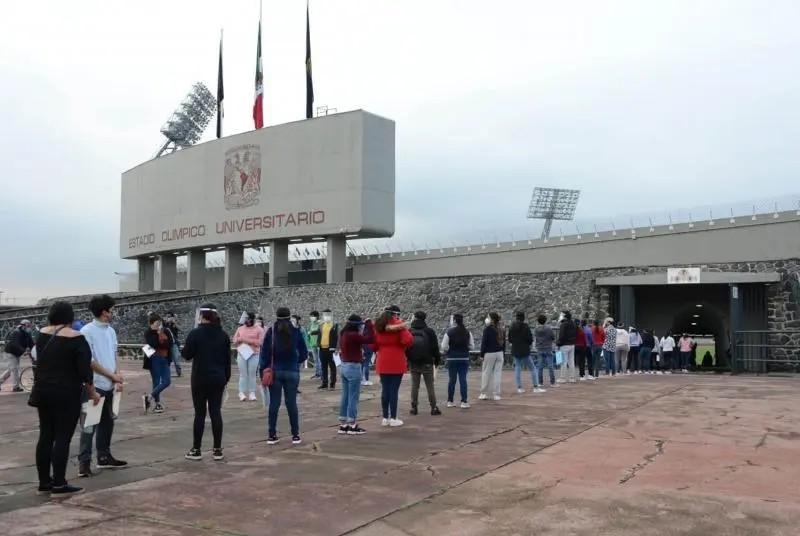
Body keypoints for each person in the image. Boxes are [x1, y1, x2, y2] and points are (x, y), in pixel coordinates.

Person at [32, 301, 100, 497]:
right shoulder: (77, 338)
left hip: (42, 390)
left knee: (46, 434)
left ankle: (44, 481)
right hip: (65, 392)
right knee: (63, 436)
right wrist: (93, 393)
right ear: (70, 317)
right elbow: (85, 370)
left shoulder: (43, 334)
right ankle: (59, 484)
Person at [78, 295, 127, 478]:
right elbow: (90, 361)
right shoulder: (87, 331)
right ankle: (84, 461)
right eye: (111, 310)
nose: (112, 313)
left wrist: (117, 377)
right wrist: (111, 375)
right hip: (95, 385)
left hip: (110, 383)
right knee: (89, 424)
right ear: (104, 311)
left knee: (108, 421)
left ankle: (104, 455)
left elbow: (114, 354)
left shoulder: (110, 331)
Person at [182, 303, 231, 461]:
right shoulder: (223, 335)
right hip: (218, 378)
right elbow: (227, 360)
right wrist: (225, 379)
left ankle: (196, 449)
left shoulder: (195, 333)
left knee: (200, 413)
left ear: (202, 316)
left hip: (200, 378)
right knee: (216, 412)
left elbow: (187, 355)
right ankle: (217, 449)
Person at [260, 307, 308, 445]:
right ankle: (295, 434)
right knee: (291, 403)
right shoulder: (296, 332)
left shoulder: (271, 332)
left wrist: (263, 369)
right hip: (292, 371)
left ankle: (272, 435)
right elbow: (304, 353)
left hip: (275, 371)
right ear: (289, 317)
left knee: (274, 403)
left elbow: (264, 354)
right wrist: (295, 361)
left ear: (276, 317)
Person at [373, 305, 412, 427]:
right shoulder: (399, 324)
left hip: (383, 360)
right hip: (397, 360)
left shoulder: (378, 325)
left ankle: (385, 418)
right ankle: (394, 417)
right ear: (396, 314)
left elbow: (373, 345)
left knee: (385, 389)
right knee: (394, 390)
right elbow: (407, 340)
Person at [336, 314, 374, 435]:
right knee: (353, 397)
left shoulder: (343, 334)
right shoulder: (354, 336)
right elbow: (370, 339)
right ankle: (352, 424)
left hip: (344, 365)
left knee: (345, 396)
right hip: (353, 367)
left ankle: (343, 424)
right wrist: (370, 325)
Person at [406, 311, 442, 416]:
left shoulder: (409, 331)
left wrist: (409, 359)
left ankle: (414, 407)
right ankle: (433, 407)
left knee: (414, 385)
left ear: (414, 318)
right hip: (427, 362)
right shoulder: (429, 331)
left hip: (414, 362)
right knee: (430, 385)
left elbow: (406, 346)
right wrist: (437, 360)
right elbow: (435, 347)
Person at [441, 313, 475, 408]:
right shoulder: (467, 332)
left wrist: (449, 350)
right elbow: (472, 346)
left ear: (454, 321)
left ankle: (450, 401)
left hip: (452, 358)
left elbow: (444, 346)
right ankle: (464, 401)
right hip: (464, 358)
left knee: (452, 380)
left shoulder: (449, 332)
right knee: (463, 380)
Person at [143, 313, 173, 414]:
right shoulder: (148, 333)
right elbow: (153, 344)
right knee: (156, 381)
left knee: (167, 381)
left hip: (164, 358)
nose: (158, 325)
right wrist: (162, 341)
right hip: (154, 359)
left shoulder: (165, 331)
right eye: (156, 323)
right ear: (151, 323)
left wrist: (161, 336)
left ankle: (150, 396)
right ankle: (157, 403)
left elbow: (170, 344)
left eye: (160, 323)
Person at [232, 312, 265, 402]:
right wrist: (240, 339)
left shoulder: (259, 329)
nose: (246, 321)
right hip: (242, 353)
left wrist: (248, 341)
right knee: (243, 374)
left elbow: (261, 342)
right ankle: (241, 392)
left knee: (252, 374)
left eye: (248, 319)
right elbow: (234, 340)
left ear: (252, 319)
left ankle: (252, 393)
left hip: (254, 354)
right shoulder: (240, 328)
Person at [507, 311, 541, 393]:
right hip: (525, 350)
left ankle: (519, 387)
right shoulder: (526, 326)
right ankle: (536, 387)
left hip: (515, 349)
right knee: (532, 367)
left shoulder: (511, 327)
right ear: (523, 318)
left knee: (517, 368)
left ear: (516, 317)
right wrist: (527, 344)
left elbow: (510, 339)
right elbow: (530, 339)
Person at [2, 319, 35, 393]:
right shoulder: (16, 332)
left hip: (17, 354)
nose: (29, 328)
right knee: (14, 369)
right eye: (28, 326)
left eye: (29, 326)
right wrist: (23, 351)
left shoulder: (27, 334)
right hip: (10, 353)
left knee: (11, 370)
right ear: (23, 326)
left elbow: (31, 345)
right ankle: (15, 387)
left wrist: (34, 354)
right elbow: (15, 344)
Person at [479, 312, 505, 400]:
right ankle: (497, 394)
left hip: (489, 353)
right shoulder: (501, 328)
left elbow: (484, 343)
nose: (487, 318)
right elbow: (503, 343)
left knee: (486, 373)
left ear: (492, 319)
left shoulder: (487, 329)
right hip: (500, 353)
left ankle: (483, 393)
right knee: (497, 374)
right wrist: (503, 353)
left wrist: (482, 354)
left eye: (488, 317)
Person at [317, 309, 339, 390]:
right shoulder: (321, 325)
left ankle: (332, 384)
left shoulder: (334, 325)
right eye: (325, 315)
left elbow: (338, 337)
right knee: (323, 367)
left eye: (328, 315)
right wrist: (318, 344)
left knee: (332, 367)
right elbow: (319, 336)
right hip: (322, 348)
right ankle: (324, 383)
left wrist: (337, 348)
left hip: (331, 349)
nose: (327, 316)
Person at [534, 314, 556, 387]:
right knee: (550, 366)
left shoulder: (536, 329)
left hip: (540, 348)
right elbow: (553, 337)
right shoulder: (549, 329)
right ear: (545, 320)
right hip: (548, 348)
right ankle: (552, 382)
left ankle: (540, 382)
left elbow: (536, 338)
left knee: (540, 366)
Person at [556, 311, 578, 383]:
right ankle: (572, 378)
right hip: (572, 344)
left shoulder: (563, 324)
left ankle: (563, 378)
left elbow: (561, 336)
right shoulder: (573, 323)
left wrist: (558, 343)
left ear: (564, 316)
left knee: (564, 362)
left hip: (565, 345)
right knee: (571, 361)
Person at [164, 313, 182, 377]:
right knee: (166, 358)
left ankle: (178, 371)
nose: (169, 318)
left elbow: (180, 329)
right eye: (168, 317)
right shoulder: (164, 324)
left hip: (174, 344)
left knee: (176, 358)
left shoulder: (174, 324)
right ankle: (167, 372)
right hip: (166, 344)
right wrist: (166, 321)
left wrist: (174, 322)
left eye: (170, 317)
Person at [307, 311, 322, 380]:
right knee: (315, 360)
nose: (311, 318)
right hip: (312, 344)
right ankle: (317, 374)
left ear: (317, 316)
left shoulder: (320, 323)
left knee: (319, 360)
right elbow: (308, 333)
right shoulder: (311, 324)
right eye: (311, 316)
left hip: (319, 344)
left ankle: (321, 374)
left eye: (312, 316)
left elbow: (319, 332)